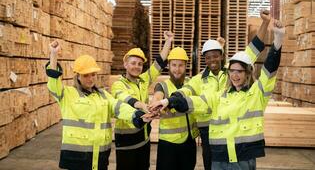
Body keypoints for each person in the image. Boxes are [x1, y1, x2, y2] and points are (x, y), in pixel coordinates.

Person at [149, 20, 285, 170]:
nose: (235, 75)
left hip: (241, 145)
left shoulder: (234, 71)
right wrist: (169, 101)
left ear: (222, 56)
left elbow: (256, 52)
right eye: (208, 57)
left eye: (239, 71)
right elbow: (189, 96)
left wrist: (272, 32)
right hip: (212, 136)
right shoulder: (200, 81)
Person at [46, 40, 151, 170]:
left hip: (100, 157)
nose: (91, 78)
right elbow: (53, 83)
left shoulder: (103, 95)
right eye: (86, 75)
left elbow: (119, 107)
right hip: (77, 158)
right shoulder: (67, 94)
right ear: (77, 75)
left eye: (93, 74)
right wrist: (53, 55)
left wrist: (138, 115)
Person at [111, 31, 174, 170]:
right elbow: (126, 99)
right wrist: (143, 106)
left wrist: (168, 41)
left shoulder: (144, 79)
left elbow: (159, 63)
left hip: (144, 138)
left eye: (140, 64)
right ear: (125, 64)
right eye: (133, 63)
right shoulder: (119, 84)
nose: (137, 66)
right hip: (126, 141)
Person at [151, 47, 199, 170]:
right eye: (174, 65)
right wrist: (158, 106)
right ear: (169, 65)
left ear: (186, 66)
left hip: (189, 141)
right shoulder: (162, 86)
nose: (177, 69)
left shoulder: (191, 83)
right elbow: (156, 99)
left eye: (180, 65)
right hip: (169, 144)